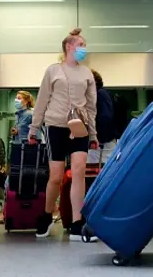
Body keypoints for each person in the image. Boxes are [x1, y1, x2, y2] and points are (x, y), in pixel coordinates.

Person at [29, 28, 98, 241]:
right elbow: (41, 100)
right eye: (81, 45)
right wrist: (33, 129)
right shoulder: (53, 70)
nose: (84, 50)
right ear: (69, 47)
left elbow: (92, 106)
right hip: (55, 126)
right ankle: (47, 215)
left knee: (78, 172)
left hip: (80, 127)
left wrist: (93, 134)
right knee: (56, 176)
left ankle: (78, 222)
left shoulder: (87, 73)